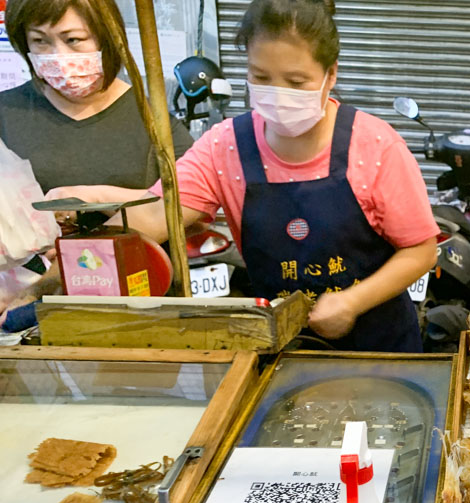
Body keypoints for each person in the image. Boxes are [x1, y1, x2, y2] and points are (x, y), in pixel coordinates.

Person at [55, 0, 438, 352]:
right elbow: (157, 216)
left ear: (330, 74)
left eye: (296, 82)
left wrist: (351, 301)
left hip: (382, 351)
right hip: (282, 349)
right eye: (261, 76)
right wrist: (89, 205)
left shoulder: (374, 145)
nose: (278, 93)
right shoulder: (225, 147)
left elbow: (421, 250)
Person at [0, 0, 193, 311]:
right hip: (24, 313)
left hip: (139, 306)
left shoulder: (152, 117)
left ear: (106, 36)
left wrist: (95, 198)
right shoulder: (6, 114)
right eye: (40, 41)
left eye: (73, 39)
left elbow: (191, 205)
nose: (58, 55)